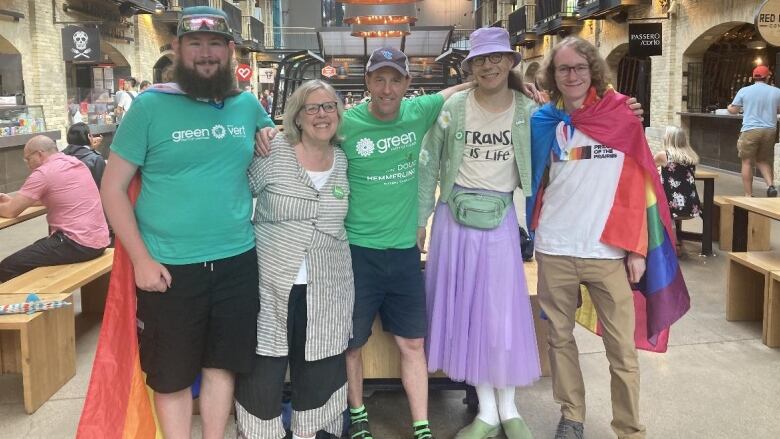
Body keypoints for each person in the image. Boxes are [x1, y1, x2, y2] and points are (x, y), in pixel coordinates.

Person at [99, 6, 274, 438]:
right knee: (171, 375)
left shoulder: (246, 105)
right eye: (195, 43)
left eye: (215, 44)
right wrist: (140, 259)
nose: (206, 53)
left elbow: (281, 143)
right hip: (168, 268)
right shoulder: (150, 107)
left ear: (231, 51)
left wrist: (271, 133)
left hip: (237, 261)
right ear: (177, 48)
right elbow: (112, 189)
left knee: (222, 365)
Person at [528, 37, 690, 439]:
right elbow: (531, 179)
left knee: (622, 350)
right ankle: (572, 417)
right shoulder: (542, 122)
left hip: (607, 251)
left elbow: (639, 183)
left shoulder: (621, 115)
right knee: (560, 341)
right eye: (563, 69)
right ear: (552, 75)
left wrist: (637, 248)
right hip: (555, 247)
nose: (572, 76)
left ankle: (629, 429)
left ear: (593, 71)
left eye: (580, 68)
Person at [417, 27, 539, 439]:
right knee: (470, 315)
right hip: (454, 221)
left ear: (509, 62)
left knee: (499, 315)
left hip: (500, 221)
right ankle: (487, 410)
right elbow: (428, 164)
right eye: (480, 60)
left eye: (496, 58)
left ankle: (509, 408)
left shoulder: (527, 110)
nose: (489, 65)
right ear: (470, 67)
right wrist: (420, 220)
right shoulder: (453, 108)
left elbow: (562, 138)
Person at [234, 80, 352, 439]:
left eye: (329, 106)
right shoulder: (273, 153)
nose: (321, 115)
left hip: (328, 284)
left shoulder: (343, 159)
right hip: (271, 282)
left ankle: (311, 433)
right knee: (264, 365)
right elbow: (235, 192)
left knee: (321, 364)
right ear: (297, 117)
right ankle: (260, 433)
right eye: (312, 108)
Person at [0, 135, 109, 282]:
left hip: (76, 243)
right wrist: (14, 201)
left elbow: (11, 211)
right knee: (36, 249)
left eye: (28, 159)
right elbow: (50, 197)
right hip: (99, 240)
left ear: (39, 154)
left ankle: (29, 301)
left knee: (6, 267)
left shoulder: (43, 172)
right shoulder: (75, 163)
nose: (27, 164)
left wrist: (12, 204)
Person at [727, 65, 780, 197]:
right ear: (767, 77)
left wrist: (729, 107)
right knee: (763, 160)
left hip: (750, 129)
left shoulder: (744, 90)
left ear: (753, 77)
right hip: (770, 130)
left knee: (747, 161)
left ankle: (748, 195)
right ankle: (771, 186)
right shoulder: (776, 91)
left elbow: (733, 111)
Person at [654, 125, 702, 221]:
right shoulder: (691, 155)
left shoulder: (664, 155)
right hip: (692, 206)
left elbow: (649, 166)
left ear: (668, 139)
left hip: (672, 207)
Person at [62, 122, 106, 188]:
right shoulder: (95, 159)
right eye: (91, 135)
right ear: (89, 136)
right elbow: (103, 186)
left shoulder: (60, 157)